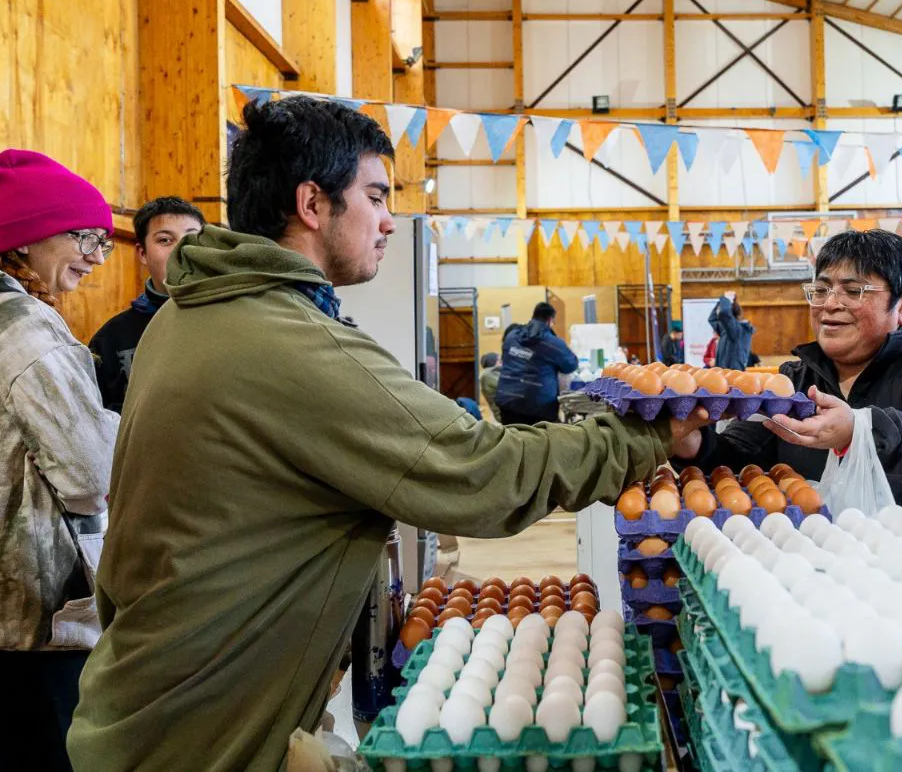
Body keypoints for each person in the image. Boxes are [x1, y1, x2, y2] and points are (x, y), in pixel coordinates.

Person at [67, 98, 709, 771]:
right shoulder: (283, 341)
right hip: (204, 736)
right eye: (375, 196)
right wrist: (647, 437)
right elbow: (482, 473)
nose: (389, 222)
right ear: (312, 204)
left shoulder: (189, 315)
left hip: (146, 703)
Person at [673, 229, 902, 545]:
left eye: (853, 291)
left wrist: (861, 429)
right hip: (843, 573)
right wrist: (691, 442)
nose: (829, 304)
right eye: (821, 290)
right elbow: (736, 461)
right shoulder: (794, 381)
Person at [0, 150, 120, 772]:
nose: (99, 257)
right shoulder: (26, 329)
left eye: (104, 240)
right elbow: (91, 474)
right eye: (85, 237)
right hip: (25, 616)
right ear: (30, 236)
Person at [88, 196, 205, 412]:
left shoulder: (232, 318)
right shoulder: (111, 338)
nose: (181, 250)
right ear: (143, 253)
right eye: (165, 240)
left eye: (192, 239)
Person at [495, 302, 579, 425]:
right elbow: (571, 365)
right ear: (550, 320)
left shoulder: (512, 336)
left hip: (507, 401)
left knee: (513, 441)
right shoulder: (552, 343)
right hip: (537, 406)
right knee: (538, 442)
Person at [708, 290, 755, 370]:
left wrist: (726, 300)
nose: (718, 312)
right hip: (724, 372)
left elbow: (724, 313)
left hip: (734, 373)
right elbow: (712, 319)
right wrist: (720, 303)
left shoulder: (739, 330)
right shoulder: (726, 330)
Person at [479, 352, 502, 420]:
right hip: (503, 417)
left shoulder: (490, 375)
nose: (503, 363)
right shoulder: (488, 375)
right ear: (493, 363)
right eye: (500, 361)